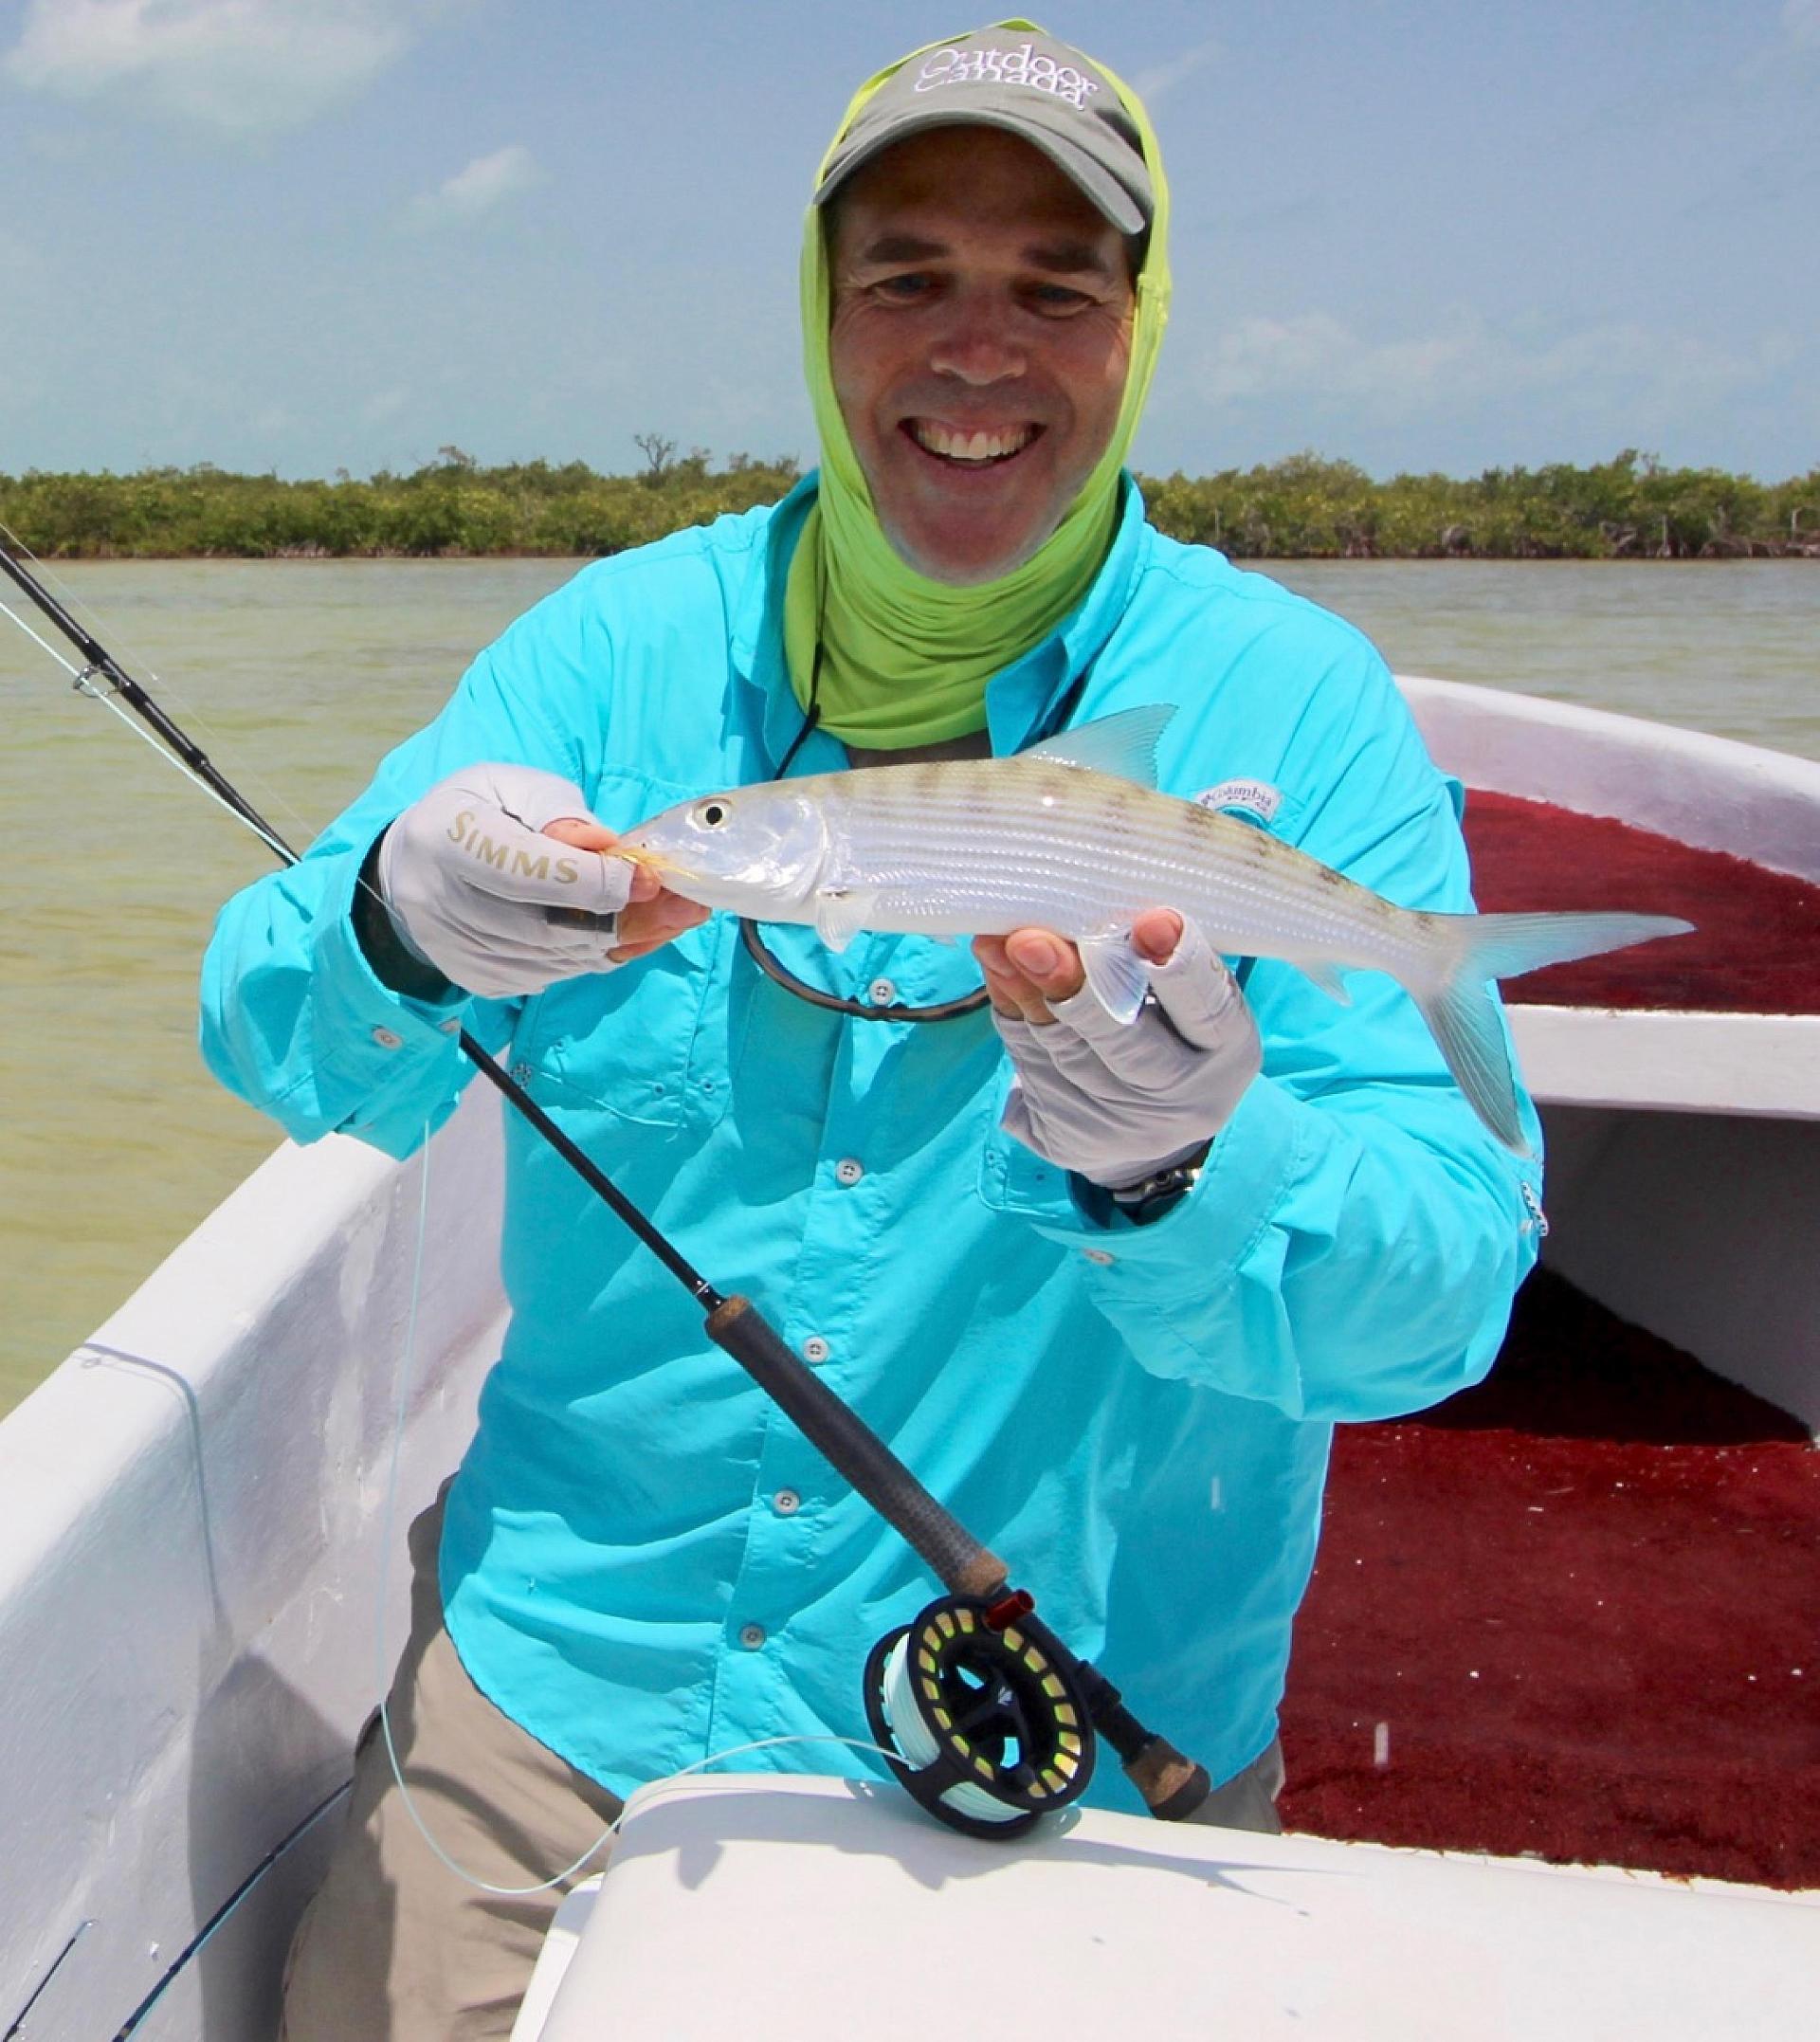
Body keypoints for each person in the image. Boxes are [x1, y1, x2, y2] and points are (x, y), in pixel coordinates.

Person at [202, 21, 1545, 2038]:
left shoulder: (1299, 707)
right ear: (820, 316)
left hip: (1080, 1738)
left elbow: (1439, 1305)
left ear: (1139, 326)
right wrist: (393, 923)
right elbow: (269, 1030)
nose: (975, 350)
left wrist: (1191, 1160)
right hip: (572, 1684)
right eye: (907, 275)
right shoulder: (615, 653)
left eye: (1053, 288)